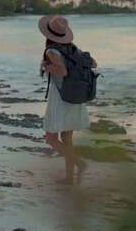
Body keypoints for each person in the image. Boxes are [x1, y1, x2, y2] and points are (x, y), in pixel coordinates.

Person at [38, 15, 96, 185]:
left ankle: (79, 163)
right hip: (75, 95)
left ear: (48, 33)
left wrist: (46, 66)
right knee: (67, 139)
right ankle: (70, 178)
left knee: (51, 138)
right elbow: (93, 63)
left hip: (61, 97)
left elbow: (62, 72)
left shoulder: (51, 51)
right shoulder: (73, 48)